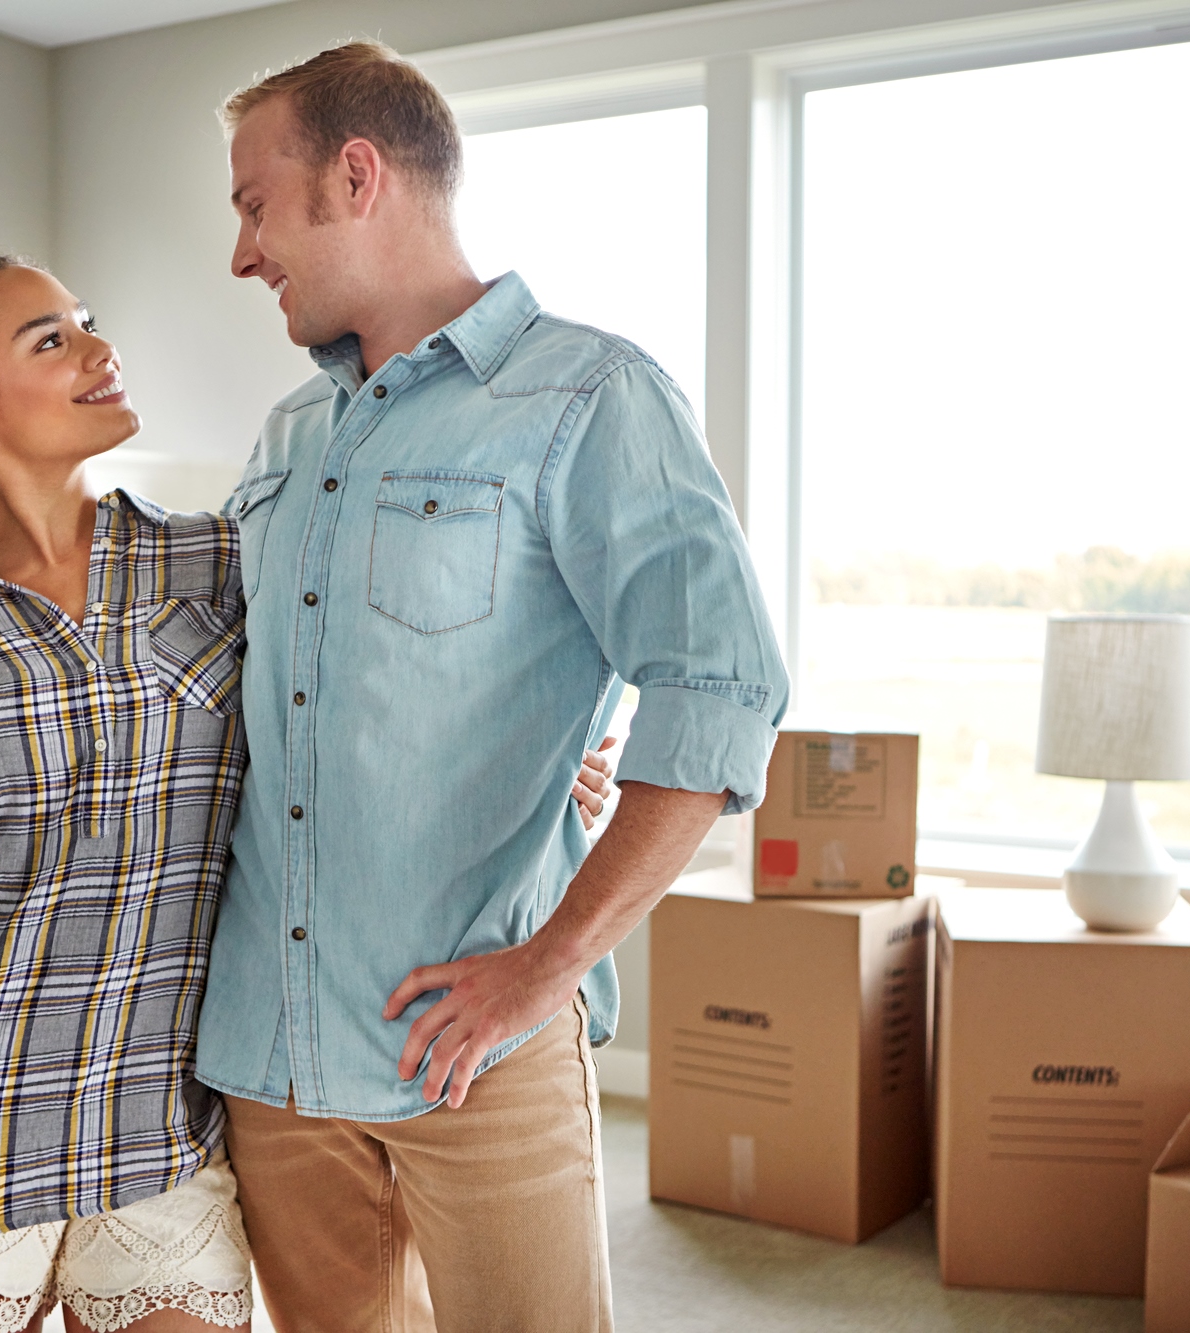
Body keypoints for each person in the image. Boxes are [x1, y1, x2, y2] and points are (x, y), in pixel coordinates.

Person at [0, 246, 623, 1333]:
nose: (100, 350)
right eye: (51, 339)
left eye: (87, 319)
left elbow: (381, 692)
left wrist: (541, 761)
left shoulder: (224, 562)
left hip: (160, 1130)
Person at [171, 41, 788, 1331]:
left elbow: (718, 685)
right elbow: (223, 691)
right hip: (270, 1060)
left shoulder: (587, 396)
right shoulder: (290, 436)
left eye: (252, 205)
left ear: (354, 177)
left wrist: (550, 964)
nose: (242, 252)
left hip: (479, 1059)